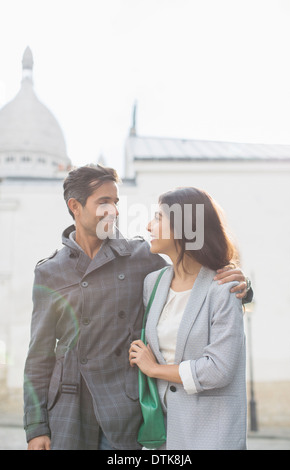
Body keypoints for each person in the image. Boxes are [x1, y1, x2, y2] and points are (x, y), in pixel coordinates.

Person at [24, 165, 251, 450]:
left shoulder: (141, 257)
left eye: (116, 203)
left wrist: (242, 285)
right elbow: (38, 356)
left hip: (124, 412)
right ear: (75, 206)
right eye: (103, 202)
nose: (115, 211)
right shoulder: (50, 272)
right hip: (69, 410)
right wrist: (36, 427)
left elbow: (192, 274)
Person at [129, 187, 248, 450]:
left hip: (211, 436)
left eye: (158, 218)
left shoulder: (223, 287)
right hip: (163, 435)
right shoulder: (154, 283)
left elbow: (219, 369)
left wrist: (154, 369)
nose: (149, 226)